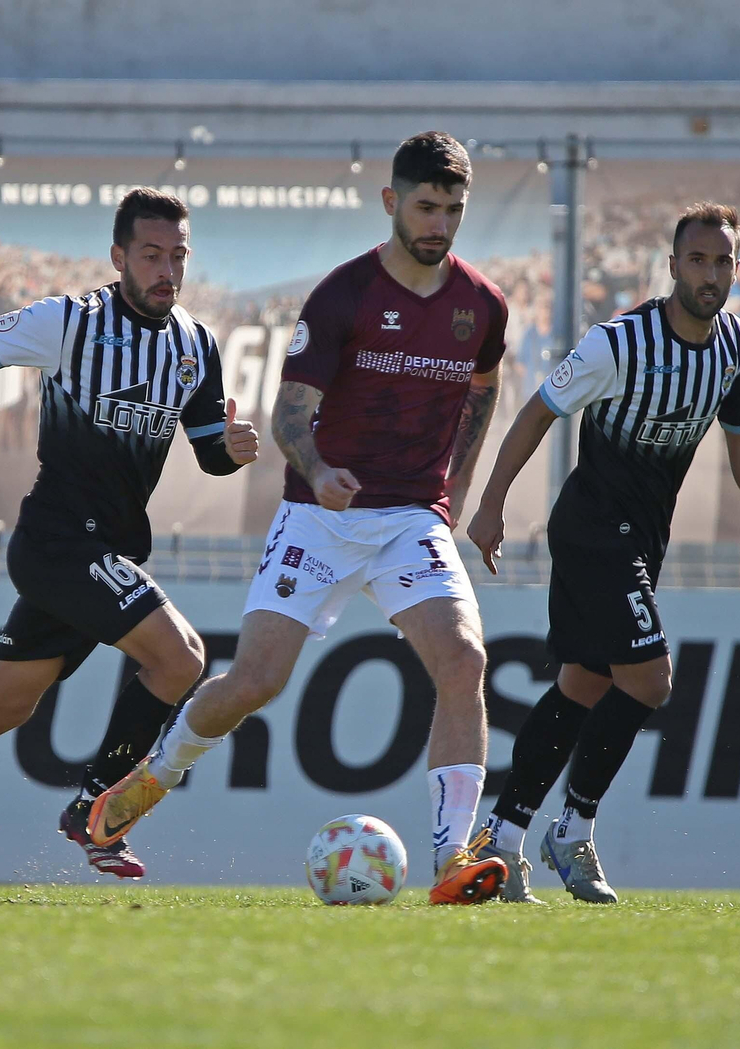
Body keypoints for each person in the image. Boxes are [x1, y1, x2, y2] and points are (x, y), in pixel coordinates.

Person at [88, 132, 511, 905]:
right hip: (319, 517)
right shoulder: (343, 295)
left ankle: (454, 857)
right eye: (424, 206)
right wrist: (319, 471)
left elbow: (483, 388)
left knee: (464, 661)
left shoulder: (482, 304)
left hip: (410, 517)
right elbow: (291, 417)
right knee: (255, 681)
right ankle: (157, 774)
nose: (438, 223)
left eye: (453, 209)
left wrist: (460, 492)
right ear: (391, 202)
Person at [0, 188, 259, 902]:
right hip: (57, 542)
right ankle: (97, 807)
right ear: (118, 256)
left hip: (110, 555)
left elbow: (209, 455)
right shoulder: (70, 321)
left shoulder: (195, 345)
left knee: (3, 704)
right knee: (181, 656)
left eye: (178, 256)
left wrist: (232, 449)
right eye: (151, 254)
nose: (167, 270)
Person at [467, 201, 740, 904]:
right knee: (650, 679)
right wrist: (493, 502)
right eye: (698, 259)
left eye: (724, 262)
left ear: (737, 269)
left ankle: (500, 837)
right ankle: (574, 827)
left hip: (645, 537)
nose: (711, 274)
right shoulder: (618, 343)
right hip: (591, 528)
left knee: (584, 684)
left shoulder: (735, 346)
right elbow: (537, 413)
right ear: (672, 265)